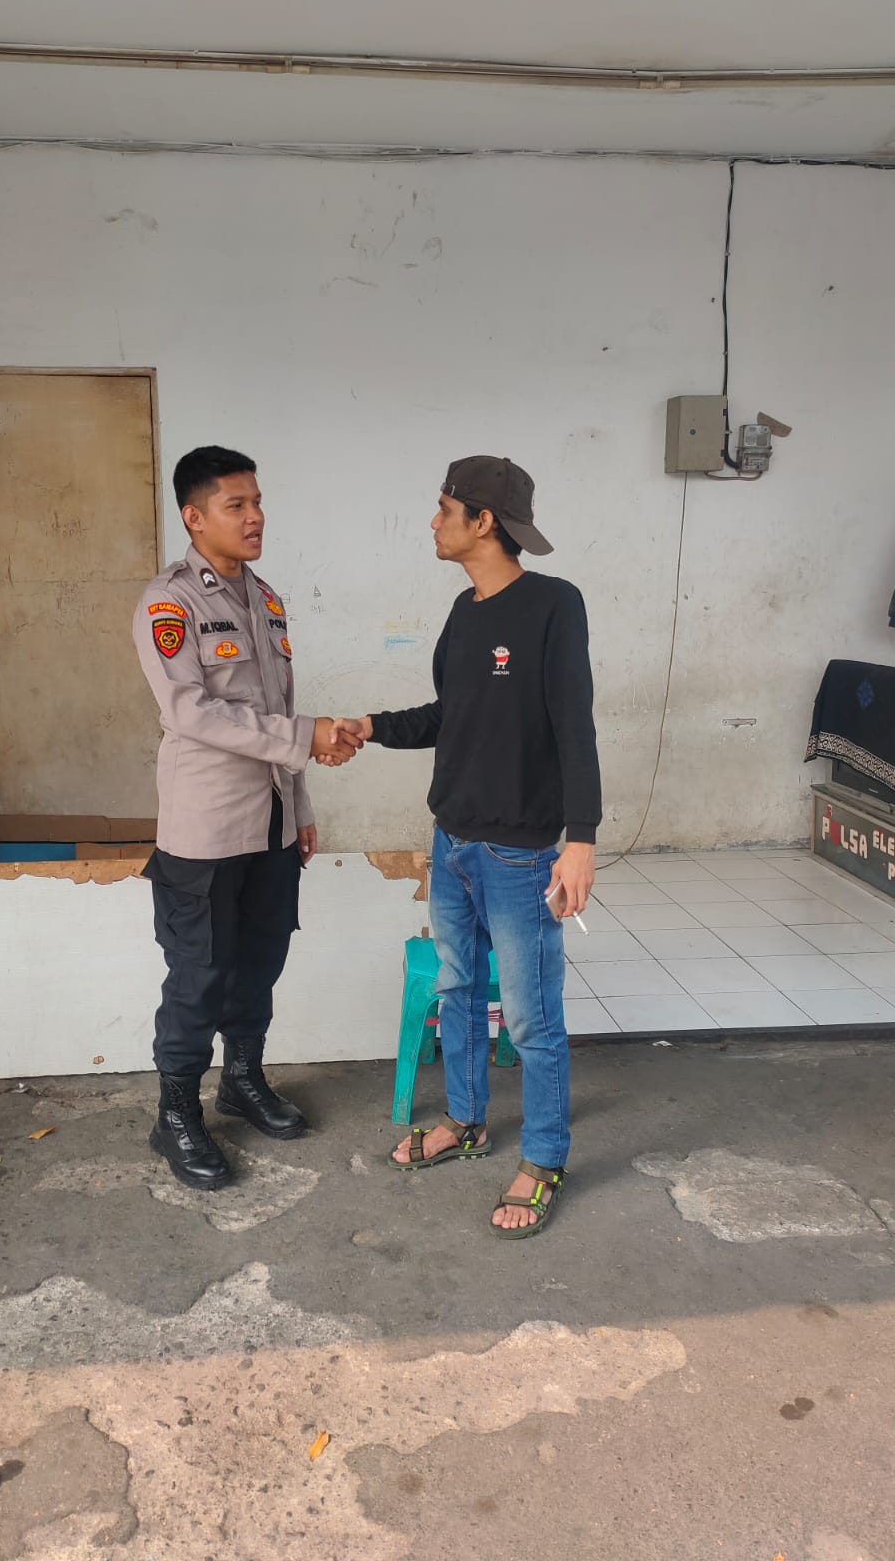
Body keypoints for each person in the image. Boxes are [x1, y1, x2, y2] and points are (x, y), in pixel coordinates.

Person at [331, 456, 600, 1239]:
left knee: (531, 1017)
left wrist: (580, 840)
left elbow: (574, 727)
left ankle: (544, 1158)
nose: (433, 521)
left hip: (520, 854)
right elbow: (449, 715)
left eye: (444, 508)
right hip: (450, 842)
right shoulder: (463, 610)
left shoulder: (554, 605)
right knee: (457, 992)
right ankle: (467, 1120)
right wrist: (371, 726)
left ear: (483, 521)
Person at [134, 445, 359, 1190]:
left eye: (257, 501)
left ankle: (242, 1079)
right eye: (236, 504)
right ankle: (176, 1113)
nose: (255, 516)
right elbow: (190, 711)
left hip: (270, 821)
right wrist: (307, 737)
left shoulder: (264, 599)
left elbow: (277, 709)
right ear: (194, 517)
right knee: (199, 974)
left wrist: (300, 805)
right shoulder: (170, 604)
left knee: (261, 959)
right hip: (204, 826)